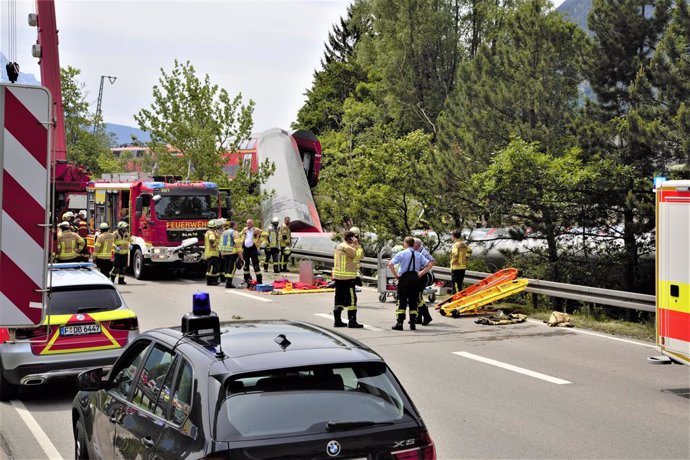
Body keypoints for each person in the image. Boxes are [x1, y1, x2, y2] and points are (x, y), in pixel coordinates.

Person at [387, 237, 433, 331]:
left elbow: (390, 264)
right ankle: (412, 323)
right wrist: (420, 273)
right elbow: (430, 264)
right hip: (415, 279)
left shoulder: (402, 253)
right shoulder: (418, 254)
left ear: (406, 243)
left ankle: (400, 323)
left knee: (402, 301)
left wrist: (396, 275)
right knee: (413, 301)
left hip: (404, 279)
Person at [332, 231, 363, 328]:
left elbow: (352, 259)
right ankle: (352, 321)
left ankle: (337, 321)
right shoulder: (348, 248)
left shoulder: (338, 246)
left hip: (338, 277)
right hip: (348, 278)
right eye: (353, 238)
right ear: (350, 239)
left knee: (339, 299)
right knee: (352, 300)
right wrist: (357, 245)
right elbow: (360, 256)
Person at [413, 237, 436, 325]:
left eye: (413, 243)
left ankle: (427, 317)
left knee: (417, 297)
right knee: (416, 298)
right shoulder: (415, 252)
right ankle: (418, 318)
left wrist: (423, 271)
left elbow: (432, 261)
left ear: (417, 244)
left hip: (422, 277)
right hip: (416, 276)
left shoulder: (423, 252)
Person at [239, 219, 264, 285]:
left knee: (255, 264)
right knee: (245, 264)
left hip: (253, 248)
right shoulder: (245, 229)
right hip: (245, 249)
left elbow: (265, 234)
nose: (248, 225)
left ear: (252, 224)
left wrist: (260, 242)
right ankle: (246, 279)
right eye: (247, 223)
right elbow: (239, 235)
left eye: (249, 223)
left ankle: (259, 280)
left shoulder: (256, 230)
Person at [219, 220, 242, 288]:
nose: (237, 226)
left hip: (224, 252)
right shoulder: (235, 232)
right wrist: (240, 254)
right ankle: (228, 283)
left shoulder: (224, 232)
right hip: (232, 252)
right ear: (234, 225)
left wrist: (221, 252)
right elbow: (238, 244)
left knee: (226, 267)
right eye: (236, 225)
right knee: (231, 268)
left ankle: (227, 281)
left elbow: (221, 243)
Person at [450, 229, 470, 294]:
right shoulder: (463, 244)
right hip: (463, 266)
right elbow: (470, 251)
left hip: (456, 267)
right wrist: (466, 257)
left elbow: (455, 254)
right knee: (459, 283)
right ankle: (460, 297)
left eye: (451, 235)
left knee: (455, 284)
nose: (451, 237)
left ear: (453, 236)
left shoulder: (455, 245)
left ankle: (456, 298)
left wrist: (452, 262)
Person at [204, 220, 221, 285]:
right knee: (213, 268)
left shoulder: (207, 232)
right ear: (214, 227)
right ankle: (211, 281)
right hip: (213, 253)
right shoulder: (211, 233)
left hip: (208, 253)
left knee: (211, 267)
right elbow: (211, 241)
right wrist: (215, 244)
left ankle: (212, 281)